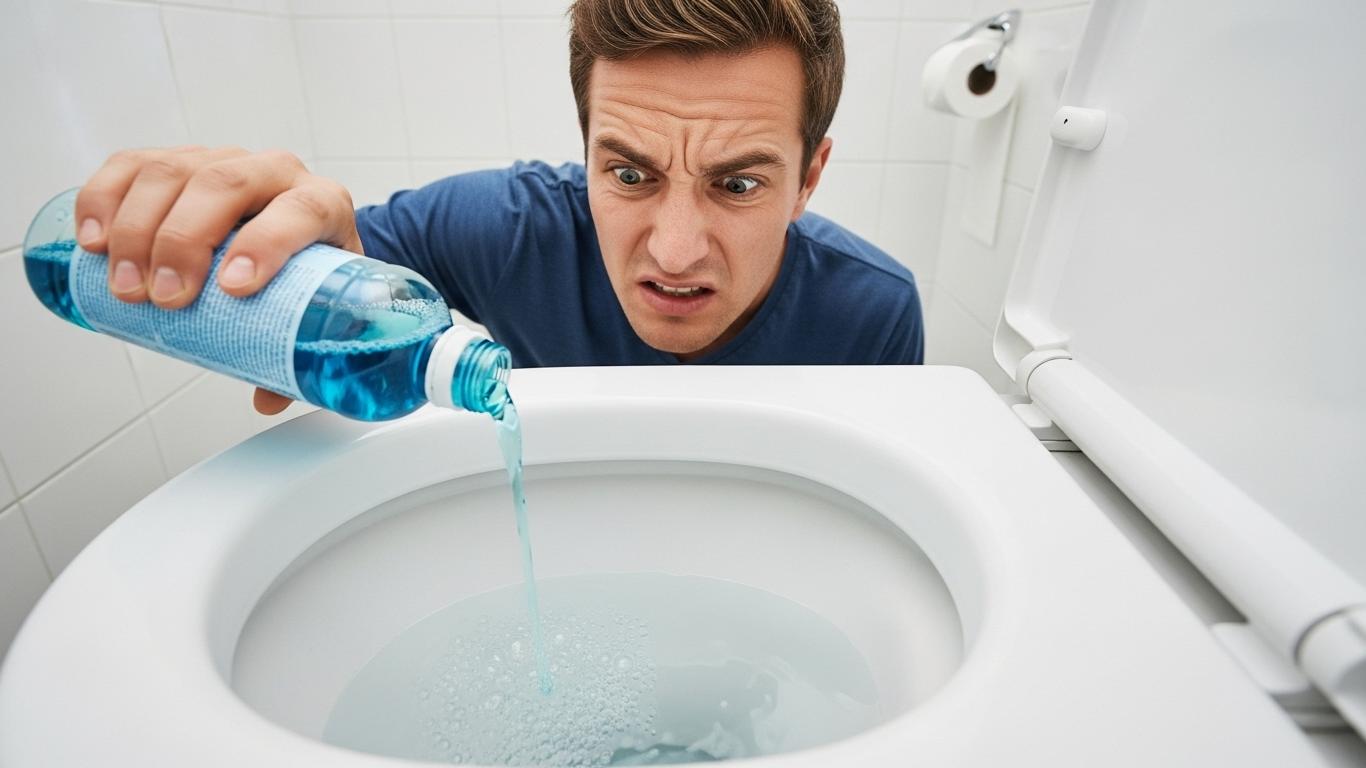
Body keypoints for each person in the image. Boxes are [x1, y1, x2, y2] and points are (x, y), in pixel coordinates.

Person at [71, 0, 924, 416]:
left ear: (809, 178)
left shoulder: (874, 316)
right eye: (629, 175)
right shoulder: (508, 232)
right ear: (585, 149)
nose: (673, 251)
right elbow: (332, 257)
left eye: (737, 185)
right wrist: (274, 263)